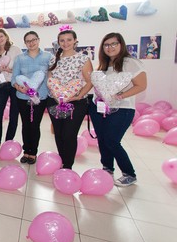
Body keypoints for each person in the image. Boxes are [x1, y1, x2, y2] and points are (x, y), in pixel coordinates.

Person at [90, 33, 146, 186]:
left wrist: (119, 95)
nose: (110, 47)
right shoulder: (103, 64)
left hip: (122, 109)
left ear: (121, 44)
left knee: (112, 140)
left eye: (114, 43)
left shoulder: (130, 62)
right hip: (100, 108)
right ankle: (107, 168)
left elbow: (141, 85)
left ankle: (129, 173)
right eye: (106, 45)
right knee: (102, 140)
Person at [47, 28, 93, 169]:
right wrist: (55, 95)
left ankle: (68, 165)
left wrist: (79, 95)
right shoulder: (54, 59)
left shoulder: (83, 59)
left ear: (75, 41)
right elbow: (50, 78)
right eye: (62, 40)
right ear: (58, 42)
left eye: (69, 40)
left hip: (76, 103)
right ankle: (62, 160)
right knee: (59, 133)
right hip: (55, 101)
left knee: (69, 134)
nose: (65, 43)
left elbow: (90, 81)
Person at [11, 32, 52, 164]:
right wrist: (19, 87)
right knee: (26, 125)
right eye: (28, 41)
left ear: (38, 40)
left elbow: (51, 76)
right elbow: (14, 78)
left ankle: (33, 152)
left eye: (34, 40)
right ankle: (26, 151)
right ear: (25, 43)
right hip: (22, 97)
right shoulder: (19, 58)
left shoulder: (48, 56)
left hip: (41, 97)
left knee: (35, 125)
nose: (31, 43)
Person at [0, 28, 22, 149]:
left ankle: (9, 141)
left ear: (6, 36)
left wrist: (10, 70)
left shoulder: (15, 50)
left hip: (14, 84)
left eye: (1, 36)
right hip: (0, 86)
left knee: (14, 115)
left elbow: (21, 67)